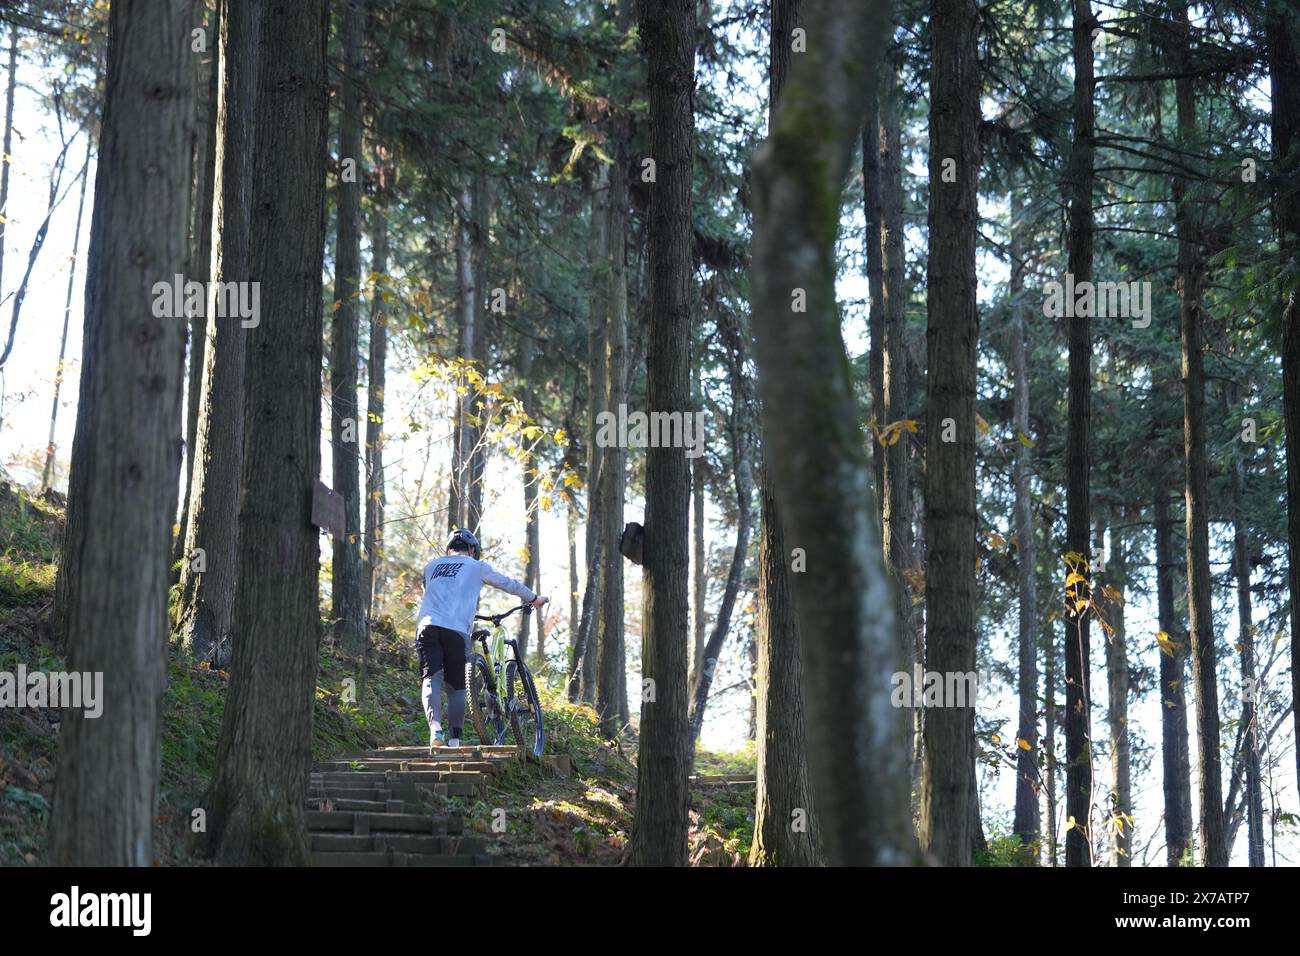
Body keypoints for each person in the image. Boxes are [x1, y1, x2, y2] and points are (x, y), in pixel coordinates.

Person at [415, 527, 547, 753]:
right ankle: (455, 742)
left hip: (426, 626)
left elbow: (433, 589)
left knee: (431, 678)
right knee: (456, 687)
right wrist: (533, 598)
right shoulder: (476, 566)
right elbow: (509, 584)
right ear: (472, 549)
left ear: (449, 549)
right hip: (456, 630)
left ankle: (435, 729)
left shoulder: (431, 566)